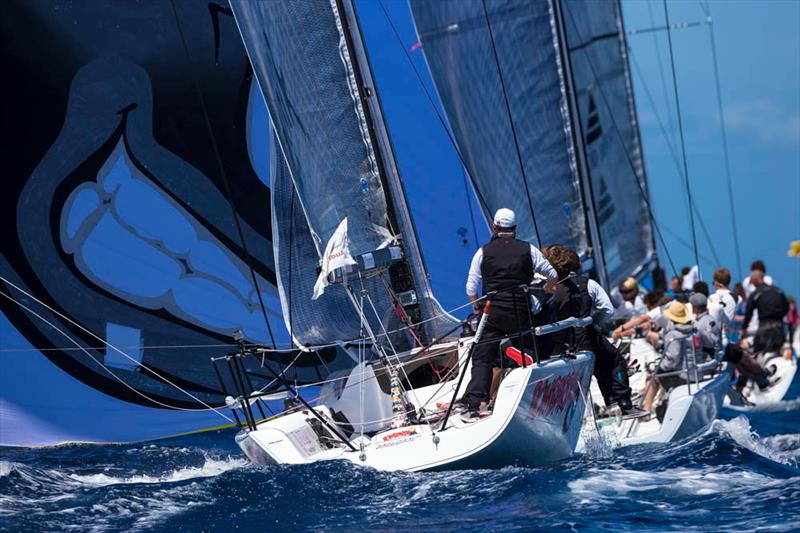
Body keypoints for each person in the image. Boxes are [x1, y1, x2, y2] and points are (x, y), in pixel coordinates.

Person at [462, 208, 558, 421]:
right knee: (525, 344)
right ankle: (520, 353)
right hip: (520, 310)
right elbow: (552, 273)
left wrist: (477, 308)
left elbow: (471, 287)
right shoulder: (528, 249)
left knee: (482, 358)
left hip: (493, 312)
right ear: (514, 229)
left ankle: (476, 403)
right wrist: (548, 289)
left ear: (495, 227)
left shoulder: (483, 252)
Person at [539, 245, 642, 416]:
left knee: (601, 361)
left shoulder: (545, 288)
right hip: (585, 340)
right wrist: (594, 324)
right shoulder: (588, 284)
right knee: (615, 360)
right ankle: (621, 404)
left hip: (556, 347)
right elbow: (608, 310)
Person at [641, 301, 693, 413]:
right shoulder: (690, 329)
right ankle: (649, 397)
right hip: (690, 371)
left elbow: (672, 360)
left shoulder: (673, 334)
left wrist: (657, 366)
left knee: (653, 377)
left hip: (681, 376)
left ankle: (646, 410)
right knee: (657, 372)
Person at [743, 270, 790, 354]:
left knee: (758, 354)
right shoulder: (778, 291)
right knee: (778, 353)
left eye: (751, 280)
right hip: (779, 328)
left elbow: (748, 314)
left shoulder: (755, 294)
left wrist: (743, 330)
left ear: (756, 279)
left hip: (764, 329)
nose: (750, 283)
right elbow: (786, 307)